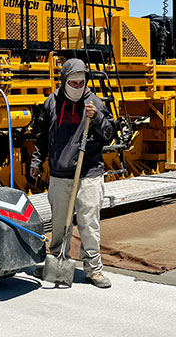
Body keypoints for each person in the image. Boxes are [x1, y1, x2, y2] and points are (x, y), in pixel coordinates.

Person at [30, 58, 115, 288]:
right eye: (73, 83)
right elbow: (42, 135)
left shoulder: (94, 102)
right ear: (64, 81)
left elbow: (109, 134)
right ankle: (58, 260)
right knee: (59, 224)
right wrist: (37, 160)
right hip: (60, 173)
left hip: (88, 173)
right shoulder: (52, 103)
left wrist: (96, 117)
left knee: (89, 223)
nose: (78, 87)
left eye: (81, 83)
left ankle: (94, 269)